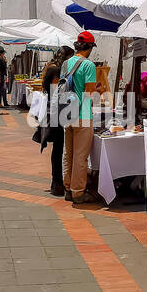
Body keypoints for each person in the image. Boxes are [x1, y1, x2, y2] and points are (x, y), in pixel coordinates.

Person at [62, 32, 99, 204]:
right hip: (82, 114)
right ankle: (78, 192)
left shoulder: (65, 63)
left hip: (66, 112)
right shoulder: (89, 65)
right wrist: (98, 88)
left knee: (68, 153)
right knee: (80, 156)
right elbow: (89, 93)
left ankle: (68, 188)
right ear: (89, 47)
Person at [36, 45, 72, 195]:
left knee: (58, 149)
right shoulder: (57, 71)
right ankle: (57, 182)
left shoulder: (53, 69)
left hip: (56, 111)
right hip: (57, 113)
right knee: (59, 149)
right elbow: (58, 93)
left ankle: (57, 182)